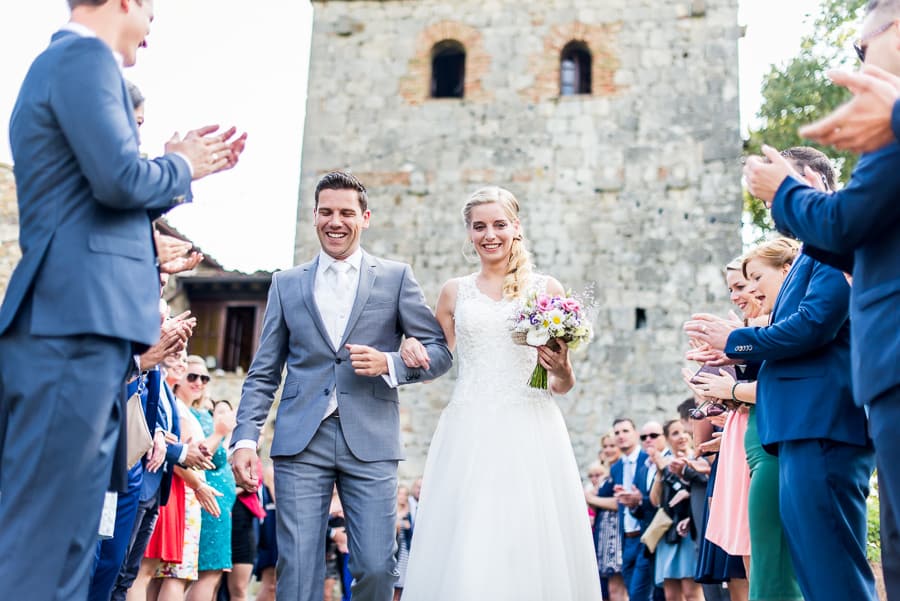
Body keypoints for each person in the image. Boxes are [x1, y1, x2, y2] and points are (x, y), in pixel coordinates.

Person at [0, 1, 246, 597]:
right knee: (51, 530)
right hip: (72, 323)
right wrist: (180, 164)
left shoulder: (71, 64)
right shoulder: (83, 59)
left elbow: (93, 202)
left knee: (74, 533)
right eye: (152, 9)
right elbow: (117, 180)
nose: (153, 22)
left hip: (82, 325)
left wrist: (163, 204)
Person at [230, 170, 453, 601]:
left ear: (365, 217)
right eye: (327, 212)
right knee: (297, 567)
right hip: (300, 440)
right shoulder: (286, 283)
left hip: (370, 438)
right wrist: (244, 439)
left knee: (375, 566)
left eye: (347, 213)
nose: (336, 221)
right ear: (314, 216)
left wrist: (390, 362)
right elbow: (263, 372)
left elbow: (439, 353)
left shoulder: (395, 278)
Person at [750, 8, 900, 595]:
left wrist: (785, 193)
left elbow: (847, 223)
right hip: (866, 384)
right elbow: (860, 243)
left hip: (841, 406)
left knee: (838, 562)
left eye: (862, 48)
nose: (859, 63)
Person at [398, 186, 601, 599]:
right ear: (469, 234)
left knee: (528, 534)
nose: (490, 234)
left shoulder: (547, 288)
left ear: (516, 228)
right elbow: (437, 361)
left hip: (531, 424)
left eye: (499, 224)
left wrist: (561, 367)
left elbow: (562, 384)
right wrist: (409, 349)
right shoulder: (455, 291)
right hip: (469, 425)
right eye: (479, 227)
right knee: (470, 534)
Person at [686, 211, 876, 598]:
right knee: (786, 563)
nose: (748, 291)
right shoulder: (774, 325)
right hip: (776, 438)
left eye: (755, 278)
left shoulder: (821, 264)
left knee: (795, 564)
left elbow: (811, 334)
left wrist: (733, 378)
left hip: (807, 432)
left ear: (787, 267)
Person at [188, 395, 238, 601]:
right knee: (207, 573)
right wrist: (220, 432)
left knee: (213, 576)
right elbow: (207, 455)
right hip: (209, 506)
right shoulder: (197, 421)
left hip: (219, 506)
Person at [649, 419, 703, 601]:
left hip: (689, 529)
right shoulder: (664, 464)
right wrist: (659, 472)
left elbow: (703, 488)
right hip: (668, 531)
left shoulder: (698, 459)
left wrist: (687, 493)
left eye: (684, 432)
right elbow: (655, 501)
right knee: (671, 594)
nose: (682, 437)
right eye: (675, 433)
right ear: (666, 438)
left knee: (691, 591)